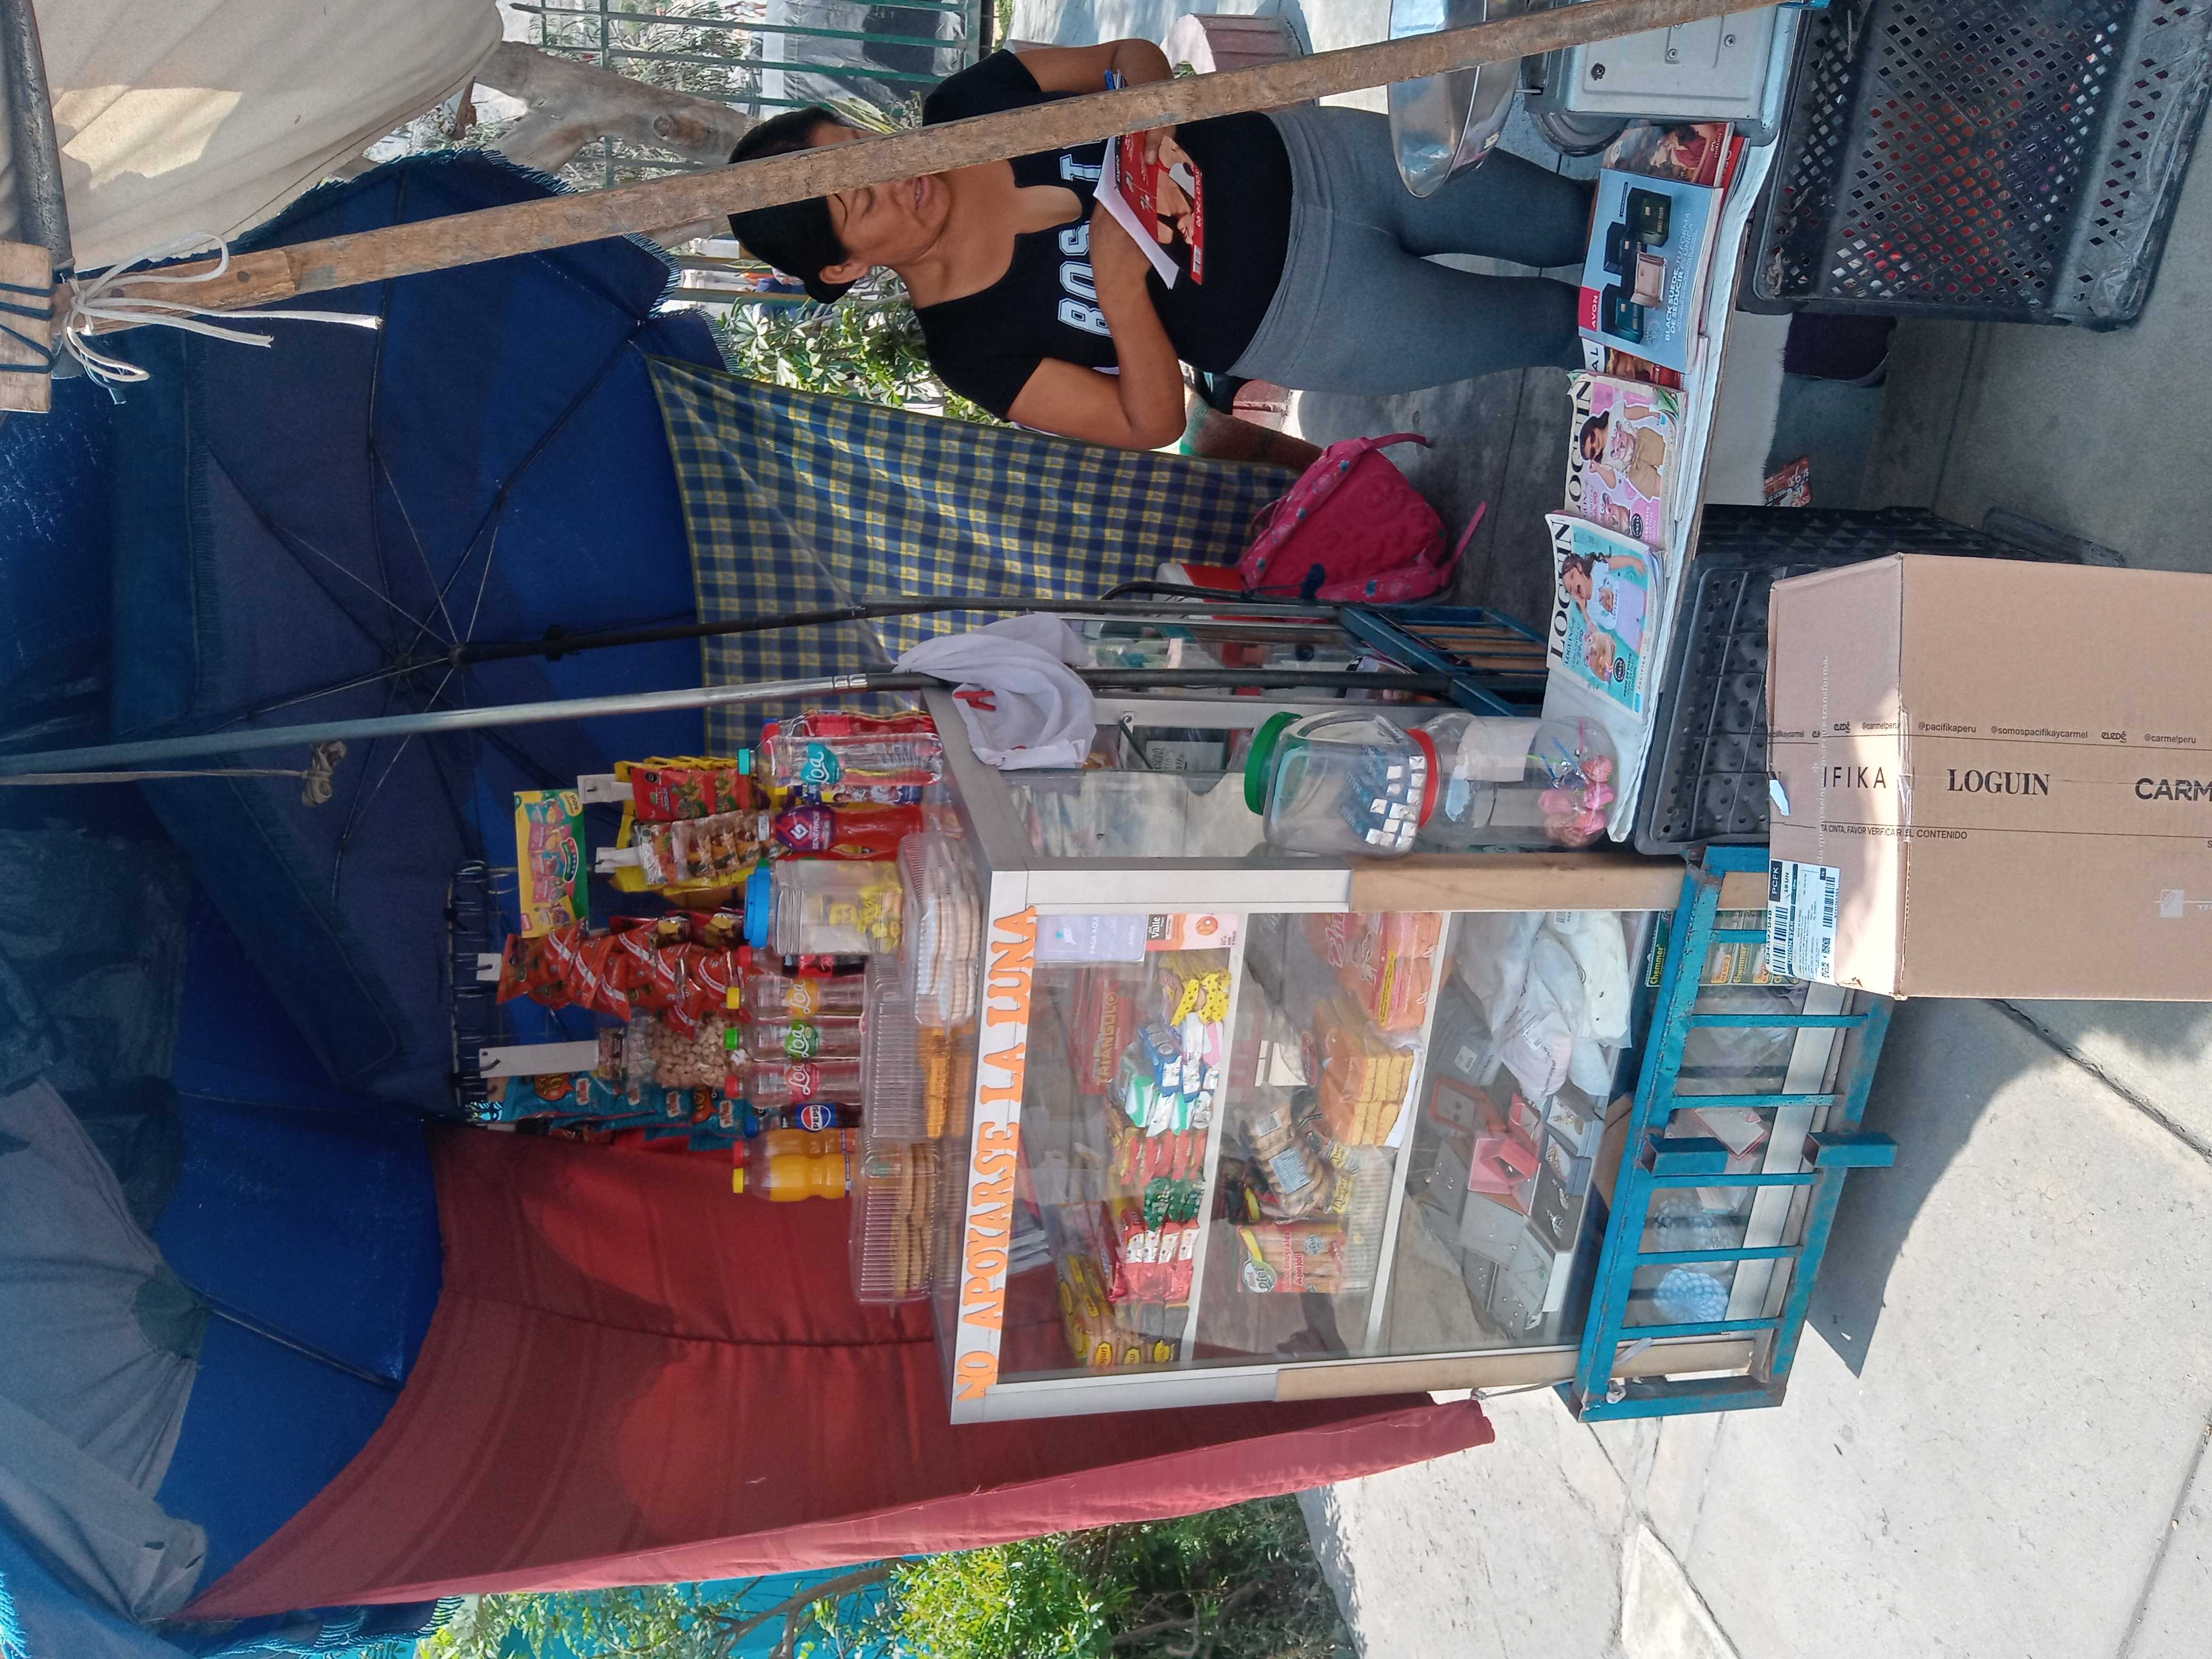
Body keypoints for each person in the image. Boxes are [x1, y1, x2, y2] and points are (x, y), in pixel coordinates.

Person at [725, 41, 1595, 449]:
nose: (896, 176)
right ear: (844, 266)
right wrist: (1119, 287)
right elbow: (1148, 423)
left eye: (868, 152)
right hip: (1319, 321)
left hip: (1324, 157)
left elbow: (1131, 57)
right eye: (863, 199)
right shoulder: (972, 349)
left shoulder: (966, 106)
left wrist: (1150, 126)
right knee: (1563, 328)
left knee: (1580, 221)